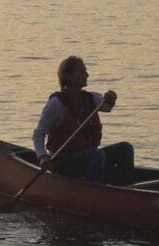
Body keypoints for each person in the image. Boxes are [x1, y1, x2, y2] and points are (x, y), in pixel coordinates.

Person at [31, 56, 135, 184]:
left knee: (125, 148)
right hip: (62, 163)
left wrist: (111, 97)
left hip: (87, 158)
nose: (87, 74)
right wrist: (42, 157)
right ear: (68, 76)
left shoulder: (91, 99)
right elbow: (38, 135)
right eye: (81, 71)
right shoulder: (56, 104)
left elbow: (107, 107)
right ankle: (95, 192)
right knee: (96, 155)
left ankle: (124, 187)